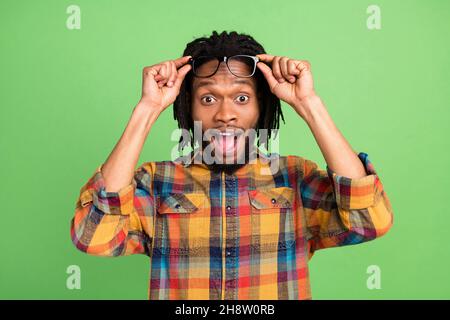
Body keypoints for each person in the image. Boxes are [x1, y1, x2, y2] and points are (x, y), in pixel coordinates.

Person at [70, 30, 393, 300]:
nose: (226, 114)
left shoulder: (294, 177)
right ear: (187, 108)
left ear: (262, 107)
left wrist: (309, 103)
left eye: (241, 98)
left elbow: (369, 220)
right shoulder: (156, 183)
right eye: (208, 99)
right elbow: (93, 237)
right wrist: (148, 108)